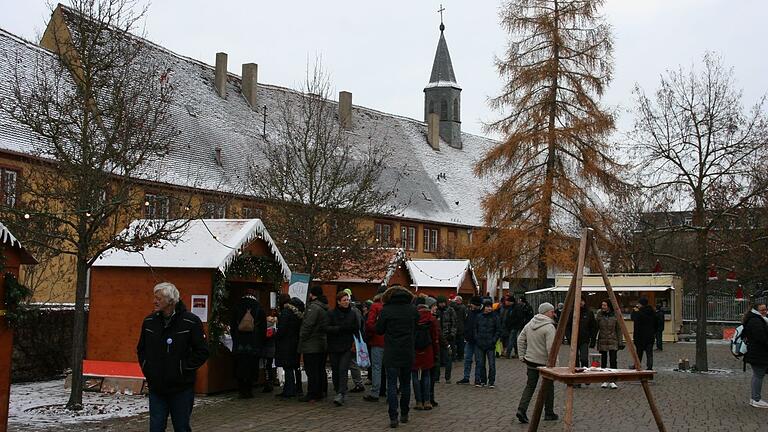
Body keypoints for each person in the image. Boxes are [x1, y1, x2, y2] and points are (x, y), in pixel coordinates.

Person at [137, 282, 209, 432]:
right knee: (156, 427)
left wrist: (183, 369)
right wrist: (148, 369)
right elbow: (141, 349)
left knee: (181, 427)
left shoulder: (190, 322)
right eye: (154, 297)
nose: (154, 301)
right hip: (157, 387)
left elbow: (202, 351)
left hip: (181, 388)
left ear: (171, 301)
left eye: (159, 298)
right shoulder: (149, 322)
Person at [376, 285, 419, 428]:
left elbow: (379, 330)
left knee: (392, 385)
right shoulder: (412, 310)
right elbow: (417, 328)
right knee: (406, 384)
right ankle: (405, 414)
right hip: (407, 351)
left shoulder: (386, 310)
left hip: (391, 352)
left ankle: (393, 417)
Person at [516, 302, 558, 424]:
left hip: (531, 361)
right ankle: (549, 412)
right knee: (549, 387)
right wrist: (555, 365)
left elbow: (520, 339)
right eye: (552, 311)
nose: (553, 313)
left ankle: (521, 409)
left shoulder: (530, 324)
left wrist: (522, 356)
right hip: (545, 363)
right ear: (546, 312)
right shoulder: (549, 327)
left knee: (530, 386)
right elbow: (551, 348)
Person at [229, 288, 267, 398]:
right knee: (251, 366)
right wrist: (261, 341)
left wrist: (236, 338)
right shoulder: (259, 307)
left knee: (240, 366)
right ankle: (249, 390)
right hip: (253, 343)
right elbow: (263, 328)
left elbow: (232, 326)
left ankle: (241, 390)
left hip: (240, 344)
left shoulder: (237, 307)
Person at [326, 291, 359, 406]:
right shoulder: (331, 314)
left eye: (347, 300)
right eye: (344, 300)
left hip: (347, 345)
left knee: (343, 369)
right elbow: (326, 328)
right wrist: (338, 329)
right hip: (334, 345)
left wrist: (356, 342)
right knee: (335, 370)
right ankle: (337, 390)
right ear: (338, 302)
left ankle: (341, 392)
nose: (346, 302)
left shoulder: (353, 313)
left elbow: (357, 328)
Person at [298, 286, 329, 402]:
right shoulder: (324, 306)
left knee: (312, 370)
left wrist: (302, 336)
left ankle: (313, 393)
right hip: (321, 343)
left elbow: (308, 325)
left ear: (312, 294)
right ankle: (321, 391)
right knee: (320, 369)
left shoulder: (314, 308)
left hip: (312, 344)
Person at [412, 297, 439, 411]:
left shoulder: (412, 318)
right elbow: (435, 338)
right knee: (426, 374)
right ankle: (427, 401)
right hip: (428, 349)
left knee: (414, 376)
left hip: (414, 350)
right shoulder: (432, 319)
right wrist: (436, 352)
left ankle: (418, 401)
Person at [275, 294, 303, 399]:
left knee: (288, 367)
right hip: (295, 342)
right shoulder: (296, 312)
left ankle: (289, 390)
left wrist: (276, 335)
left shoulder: (285, 313)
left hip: (286, 343)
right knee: (294, 366)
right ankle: (296, 388)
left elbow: (282, 329)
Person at [742, 301, 768, 408]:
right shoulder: (756, 321)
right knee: (758, 375)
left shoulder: (756, 319)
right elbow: (761, 338)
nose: (765, 312)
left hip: (757, 353)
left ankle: (754, 398)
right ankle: (756, 399)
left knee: (758, 375)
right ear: (756, 310)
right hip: (758, 353)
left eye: (765, 309)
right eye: (762, 310)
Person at [364, 288, 387, 402]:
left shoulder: (375, 306)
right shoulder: (389, 306)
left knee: (376, 367)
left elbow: (369, 323)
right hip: (389, 341)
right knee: (388, 367)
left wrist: (373, 332)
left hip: (377, 341)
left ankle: (375, 392)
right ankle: (388, 389)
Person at [566, 296, 597, 374]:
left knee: (584, 358)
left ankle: (585, 374)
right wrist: (569, 338)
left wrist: (592, 339)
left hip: (584, 339)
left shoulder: (589, 313)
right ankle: (576, 377)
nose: (580, 302)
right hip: (574, 340)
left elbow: (593, 327)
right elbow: (567, 326)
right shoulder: (572, 312)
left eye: (582, 300)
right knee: (575, 360)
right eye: (579, 300)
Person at [595, 300, 622, 389]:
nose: (603, 306)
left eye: (605, 305)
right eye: (602, 305)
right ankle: (604, 379)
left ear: (609, 306)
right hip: (602, 340)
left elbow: (618, 329)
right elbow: (595, 327)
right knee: (603, 360)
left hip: (613, 340)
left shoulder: (615, 315)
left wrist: (620, 342)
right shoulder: (599, 315)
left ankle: (613, 380)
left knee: (613, 360)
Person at [456, 296, 483, 384]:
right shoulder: (470, 312)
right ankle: (466, 377)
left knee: (478, 360)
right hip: (469, 340)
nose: (471, 305)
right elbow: (467, 324)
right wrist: (465, 334)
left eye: (472, 304)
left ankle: (477, 378)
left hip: (478, 341)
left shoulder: (482, 313)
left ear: (476, 305)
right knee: (467, 359)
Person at [474, 299, 501, 387]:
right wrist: (477, 338)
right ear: (484, 307)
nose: (489, 308)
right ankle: (483, 380)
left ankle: (491, 381)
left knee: (492, 364)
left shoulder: (495, 317)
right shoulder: (479, 316)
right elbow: (475, 329)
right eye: (487, 307)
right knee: (480, 363)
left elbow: (498, 330)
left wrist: (494, 340)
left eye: (490, 307)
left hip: (490, 344)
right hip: (480, 343)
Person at [435, 295, 457, 383]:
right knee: (437, 359)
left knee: (448, 358)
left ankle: (447, 377)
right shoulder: (436, 311)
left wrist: (452, 334)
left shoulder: (450, 310)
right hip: (438, 338)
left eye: (443, 303)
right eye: (440, 303)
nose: (442, 304)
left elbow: (454, 323)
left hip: (448, 337)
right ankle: (436, 377)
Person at [630, 297, 657, 370]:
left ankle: (638, 365)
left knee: (640, 352)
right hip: (648, 335)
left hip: (641, 335)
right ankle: (648, 366)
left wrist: (636, 312)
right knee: (647, 353)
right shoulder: (652, 311)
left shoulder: (643, 312)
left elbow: (636, 318)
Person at [450, 295, 468, 361]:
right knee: (461, 343)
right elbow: (465, 318)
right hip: (461, 327)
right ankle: (460, 356)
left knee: (453, 343)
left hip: (453, 327)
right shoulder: (463, 307)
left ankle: (454, 356)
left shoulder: (451, 307)